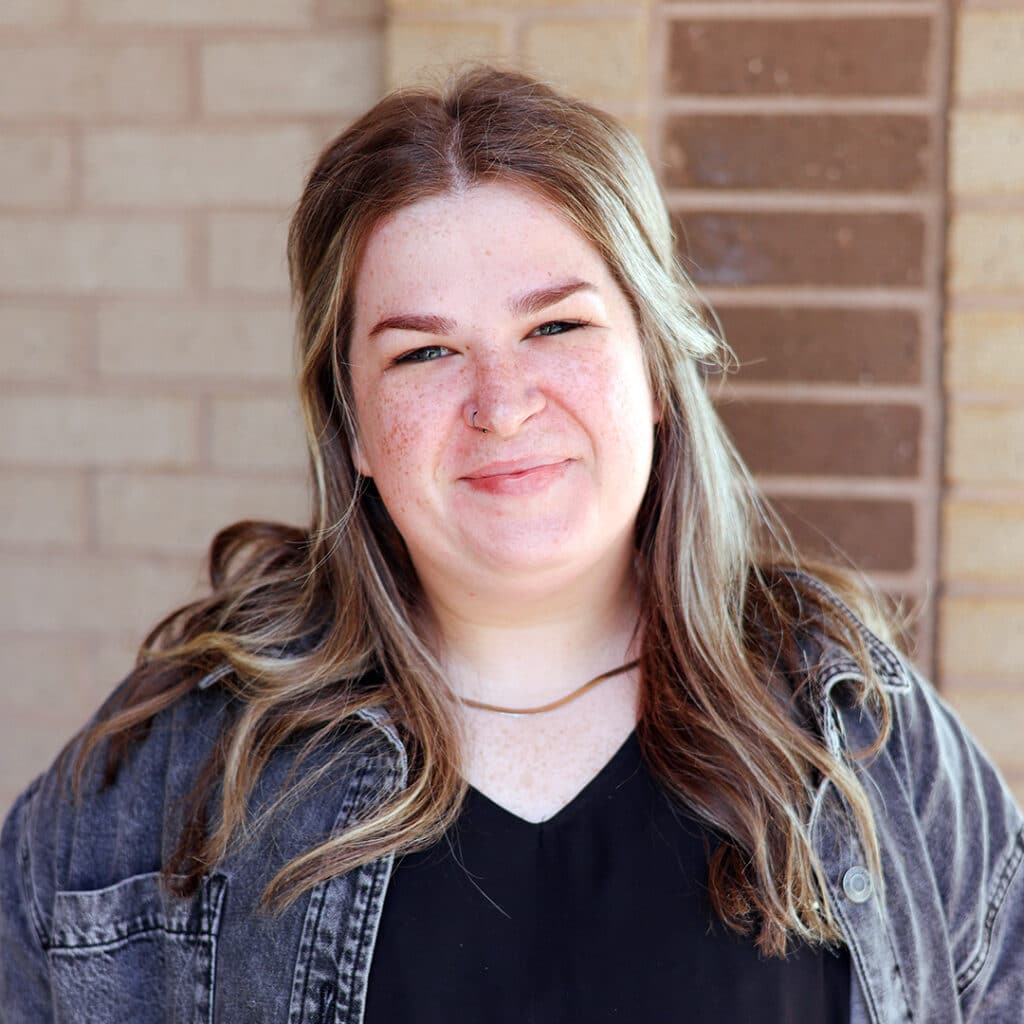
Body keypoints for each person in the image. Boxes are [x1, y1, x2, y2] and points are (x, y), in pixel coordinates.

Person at [1, 65, 1021, 1024]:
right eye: (426, 351)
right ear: (351, 425)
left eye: (556, 329)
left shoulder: (850, 726)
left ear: (658, 370)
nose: (500, 405)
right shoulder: (172, 777)